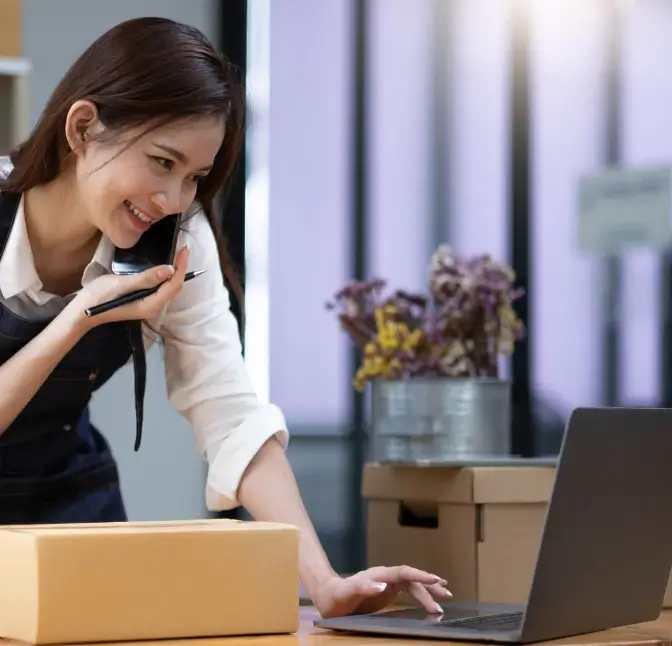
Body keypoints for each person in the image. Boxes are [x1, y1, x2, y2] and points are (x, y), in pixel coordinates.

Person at [0, 17, 452, 618]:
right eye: (162, 161)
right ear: (82, 128)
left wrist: (324, 581)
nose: (174, 201)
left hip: (69, 515)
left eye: (194, 177)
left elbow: (229, 413)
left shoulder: (176, 244)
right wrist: (75, 320)